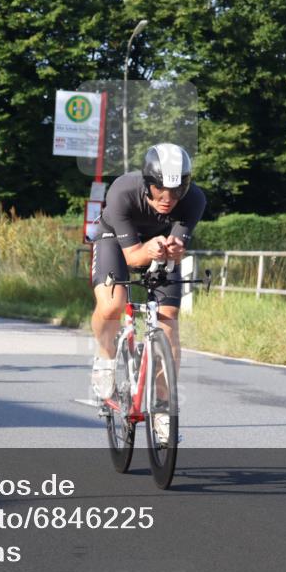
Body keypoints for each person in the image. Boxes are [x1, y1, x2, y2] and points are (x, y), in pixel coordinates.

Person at [89, 143, 206, 443]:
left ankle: (163, 409)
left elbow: (177, 246)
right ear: (147, 183)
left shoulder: (194, 200)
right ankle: (105, 357)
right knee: (112, 305)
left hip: (158, 248)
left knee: (168, 320)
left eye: (176, 192)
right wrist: (149, 249)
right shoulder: (122, 191)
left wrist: (176, 250)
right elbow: (132, 258)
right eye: (159, 190)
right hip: (114, 241)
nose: (168, 199)